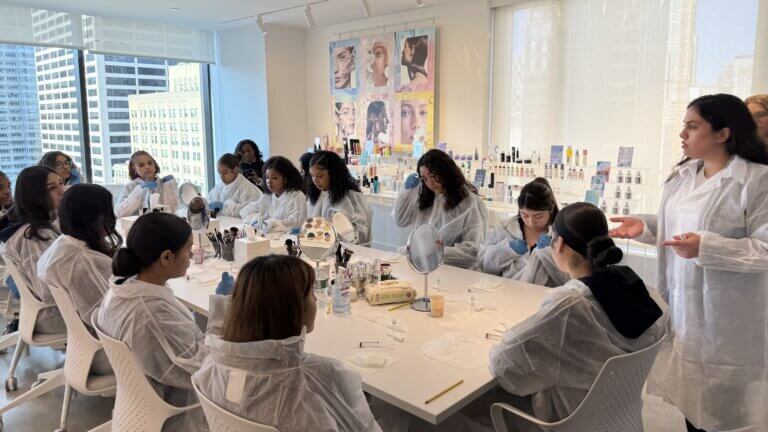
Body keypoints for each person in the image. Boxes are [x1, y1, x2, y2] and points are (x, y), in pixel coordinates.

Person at [610, 94, 768, 432]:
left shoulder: (757, 180)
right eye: (684, 125)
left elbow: (764, 249)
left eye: (692, 126)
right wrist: (648, 227)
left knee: (730, 418)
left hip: (732, 325)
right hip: (687, 318)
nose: (682, 134)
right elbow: (682, 231)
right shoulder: (682, 177)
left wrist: (708, 248)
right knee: (693, 412)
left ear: (723, 133)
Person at [489, 203, 667, 429]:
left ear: (559, 243)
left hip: (573, 420)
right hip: (617, 419)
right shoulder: (637, 287)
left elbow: (506, 367)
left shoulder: (571, 306)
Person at [193, 255, 381, 431]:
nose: (316, 299)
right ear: (291, 308)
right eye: (311, 293)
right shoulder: (323, 376)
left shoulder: (211, 367)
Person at [95, 212, 209, 432]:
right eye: (188, 248)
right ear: (166, 258)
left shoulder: (123, 288)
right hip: (178, 407)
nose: (191, 255)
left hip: (137, 402)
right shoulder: (152, 313)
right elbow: (202, 371)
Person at [37, 184, 120, 374]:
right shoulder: (85, 261)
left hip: (81, 348)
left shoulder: (61, 244)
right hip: (110, 355)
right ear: (95, 218)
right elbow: (114, 317)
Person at [392, 149, 488, 269]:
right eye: (425, 179)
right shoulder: (426, 195)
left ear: (445, 172)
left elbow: (472, 250)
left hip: (455, 270)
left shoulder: (469, 202)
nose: (430, 184)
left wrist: (435, 252)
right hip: (423, 264)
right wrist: (406, 191)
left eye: (433, 176)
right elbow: (400, 220)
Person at [0, 166, 66, 334]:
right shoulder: (34, 236)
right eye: (52, 188)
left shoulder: (37, 225)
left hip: (48, 310)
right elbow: (47, 290)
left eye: (60, 183)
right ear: (34, 195)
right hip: (55, 315)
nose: (62, 190)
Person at [478, 178, 557, 278]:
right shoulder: (505, 228)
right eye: (525, 215)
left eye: (538, 216)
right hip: (507, 290)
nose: (531, 222)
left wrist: (549, 254)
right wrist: (506, 250)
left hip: (543, 293)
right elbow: (485, 267)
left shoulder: (560, 232)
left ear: (550, 210)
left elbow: (568, 277)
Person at [307, 151, 370, 244]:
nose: (315, 181)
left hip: (348, 251)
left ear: (333, 174)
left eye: (319, 176)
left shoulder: (349, 196)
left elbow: (360, 235)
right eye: (312, 176)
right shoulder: (325, 193)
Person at [239, 156, 307, 233]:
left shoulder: (297, 196)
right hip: (268, 238)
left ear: (285, 178)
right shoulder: (267, 196)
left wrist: (270, 223)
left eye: (274, 178)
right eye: (267, 177)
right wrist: (257, 219)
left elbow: (295, 223)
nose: (269, 182)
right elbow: (246, 212)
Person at [115, 150, 179, 218]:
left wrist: (169, 188)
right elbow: (119, 213)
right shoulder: (129, 187)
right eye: (141, 165)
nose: (147, 167)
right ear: (134, 169)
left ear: (155, 165)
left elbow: (172, 209)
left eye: (150, 163)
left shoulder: (164, 184)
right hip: (136, 226)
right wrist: (139, 190)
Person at [208, 153, 263, 218]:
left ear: (235, 170)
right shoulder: (220, 186)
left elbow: (248, 212)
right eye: (219, 173)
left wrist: (225, 207)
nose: (221, 177)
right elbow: (208, 199)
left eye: (225, 173)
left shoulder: (248, 189)